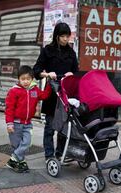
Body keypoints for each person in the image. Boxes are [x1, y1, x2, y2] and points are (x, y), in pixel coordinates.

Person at [33, 22, 79, 161]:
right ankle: (49, 155)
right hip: (52, 93)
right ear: (57, 36)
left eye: (67, 36)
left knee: (64, 128)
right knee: (50, 127)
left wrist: (72, 74)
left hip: (66, 94)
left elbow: (76, 72)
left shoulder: (71, 52)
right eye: (63, 36)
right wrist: (47, 74)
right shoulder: (48, 50)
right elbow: (36, 70)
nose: (65, 39)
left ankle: (60, 154)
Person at [4, 65, 51, 173]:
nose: (25, 81)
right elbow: (9, 108)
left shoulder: (34, 89)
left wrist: (49, 84)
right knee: (16, 145)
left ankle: (13, 159)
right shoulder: (14, 91)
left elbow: (44, 96)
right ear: (18, 79)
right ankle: (20, 162)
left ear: (32, 79)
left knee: (27, 143)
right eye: (23, 79)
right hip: (15, 123)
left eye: (28, 79)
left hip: (27, 123)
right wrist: (9, 124)